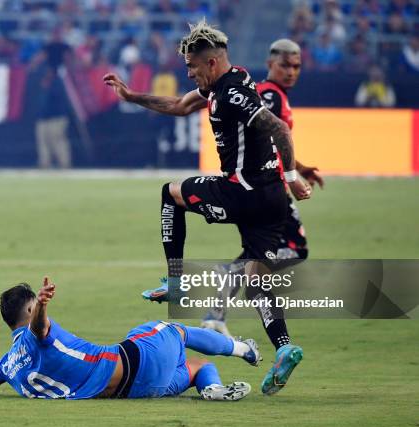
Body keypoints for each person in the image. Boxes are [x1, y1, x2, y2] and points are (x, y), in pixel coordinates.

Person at [103, 20, 311, 395]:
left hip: (243, 191)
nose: (188, 72)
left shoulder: (231, 95)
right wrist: (131, 96)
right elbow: (181, 105)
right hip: (272, 200)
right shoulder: (231, 81)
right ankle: (284, 347)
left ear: (211, 63)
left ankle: (176, 282)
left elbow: (278, 127)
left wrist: (294, 173)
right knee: (257, 278)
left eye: (192, 67)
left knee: (171, 193)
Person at [0, 277, 260, 401]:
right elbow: (40, 332)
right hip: (134, 363)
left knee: (200, 368)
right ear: (30, 312)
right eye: (35, 305)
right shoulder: (35, 334)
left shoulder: (7, 364)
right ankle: (246, 349)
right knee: (174, 330)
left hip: (134, 392)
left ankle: (210, 389)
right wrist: (43, 306)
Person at [200, 39, 325, 336]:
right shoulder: (269, 95)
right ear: (270, 64)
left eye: (296, 66)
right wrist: (291, 175)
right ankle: (235, 276)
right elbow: (266, 136)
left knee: (287, 250)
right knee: (293, 249)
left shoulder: (274, 93)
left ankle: (218, 311)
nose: (291, 71)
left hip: (266, 184)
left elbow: (270, 142)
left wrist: (300, 166)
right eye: (285, 65)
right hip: (266, 188)